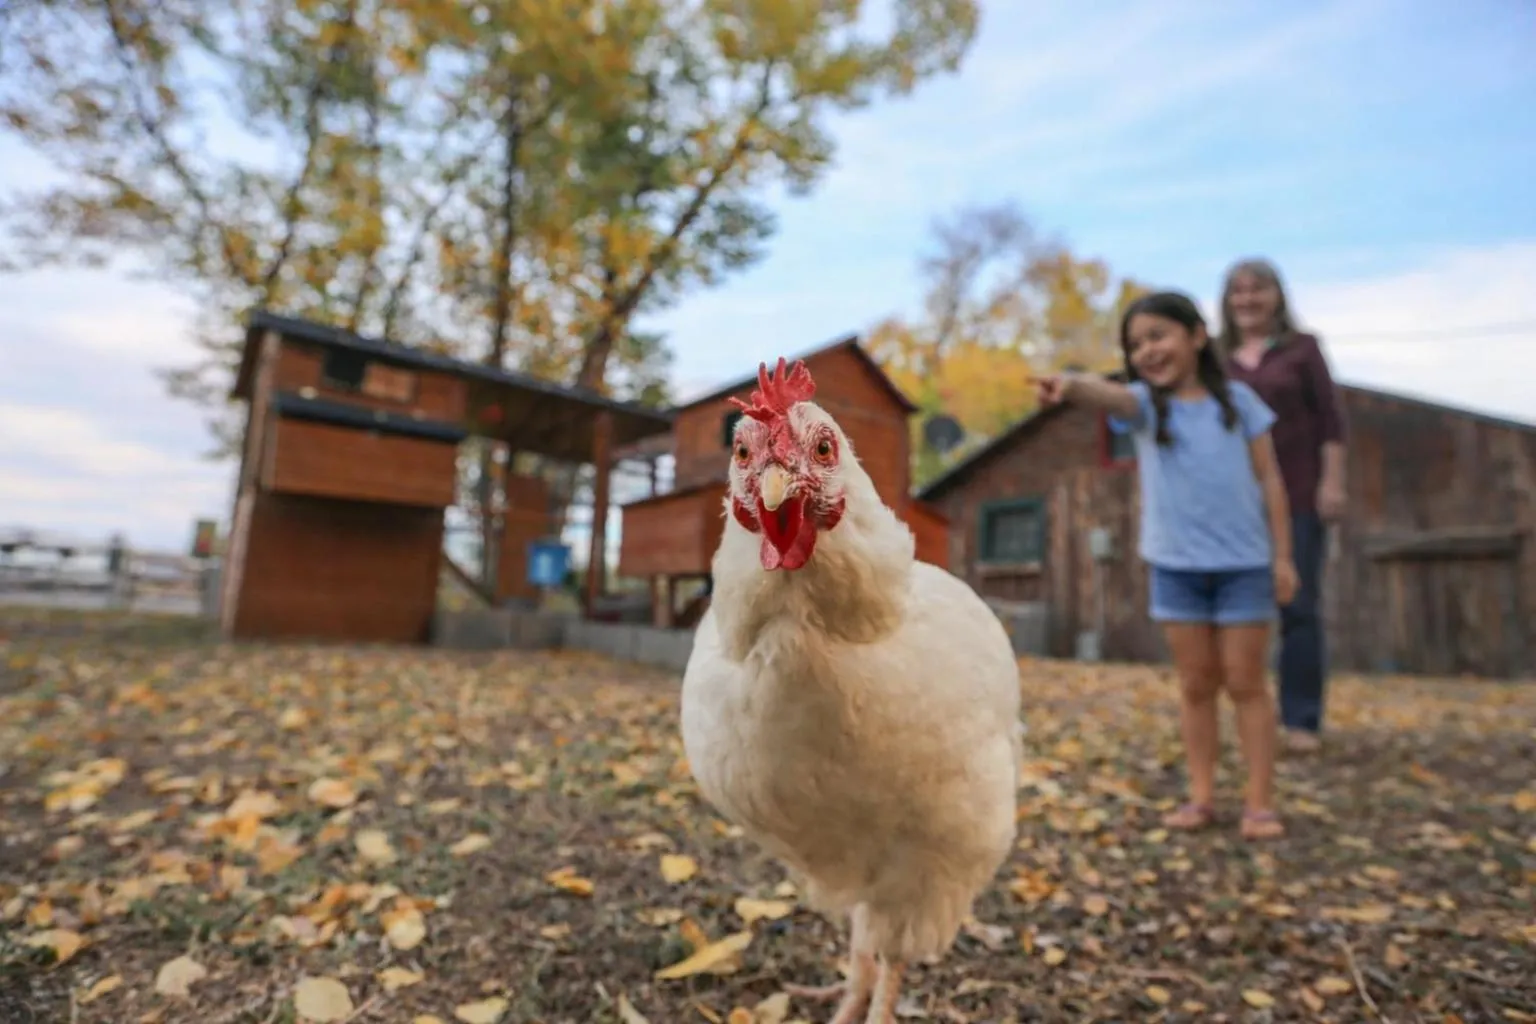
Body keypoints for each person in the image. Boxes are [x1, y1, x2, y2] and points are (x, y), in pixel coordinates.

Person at [1038, 291, 1296, 841]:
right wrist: (1070, 384)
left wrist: (1284, 557)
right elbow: (1106, 395)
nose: (1147, 351)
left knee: (1247, 682)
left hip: (1245, 565)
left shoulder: (1243, 404)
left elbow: (1271, 480)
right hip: (1177, 568)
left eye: (1158, 335)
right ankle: (1202, 797)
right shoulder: (1147, 407)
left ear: (1197, 336)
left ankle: (1259, 802)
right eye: (1135, 345)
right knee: (1196, 684)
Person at [1217, 258, 1347, 754]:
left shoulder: (1302, 349)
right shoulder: (1219, 359)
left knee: (1298, 606)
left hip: (1297, 493)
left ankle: (1302, 719)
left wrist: (1331, 483)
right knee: (1238, 610)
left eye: (1258, 289)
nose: (1248, 299)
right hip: (1236, 503)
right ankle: (1249, 715)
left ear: (1277, 296)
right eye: (1238, 291)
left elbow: (1332, 422)